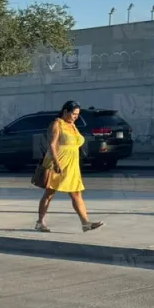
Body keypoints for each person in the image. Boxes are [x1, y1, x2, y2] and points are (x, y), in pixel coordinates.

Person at [36, 100, 103, 233]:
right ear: (65, 111)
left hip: (72, 165)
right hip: (58, 162)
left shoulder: (72, 125)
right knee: (50, 193)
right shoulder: (57, 124)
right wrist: (56, 162)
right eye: (74, 114)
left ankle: (85, 223)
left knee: (76, 193)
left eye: (78, 114)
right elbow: (52, 145)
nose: (76, 116)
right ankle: (40, 222)